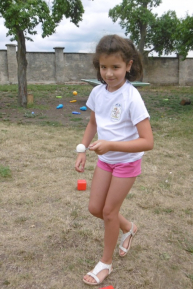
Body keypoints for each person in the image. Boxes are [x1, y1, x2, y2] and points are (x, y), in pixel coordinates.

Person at [74, 35, 154, 286]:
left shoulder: (132, 97)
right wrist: (82, 149)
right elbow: (93, 124)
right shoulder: (97, 93)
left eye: (116, 67)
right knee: (95, 208)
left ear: (129, 66)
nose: (109, 73)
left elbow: (147, 141)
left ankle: (105, 263)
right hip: (105, 160)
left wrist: (110, 145)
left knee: (109, 212)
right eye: (104, 67)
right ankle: (129, 228)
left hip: (126, 162)